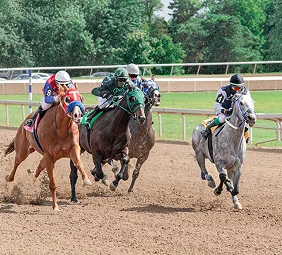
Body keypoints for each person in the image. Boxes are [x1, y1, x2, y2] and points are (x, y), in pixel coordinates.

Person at [201, 74, 251, 140]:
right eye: (235, 88)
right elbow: (216, 106)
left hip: (237, 112)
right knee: (223, 118)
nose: (237, 90)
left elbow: (248, 104)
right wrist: (225, 111)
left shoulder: (245, 92)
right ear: (231, 85)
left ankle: (245, 136)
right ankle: (208, 127)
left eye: (239, 88)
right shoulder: (223, 91)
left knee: (245, 121)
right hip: (224, 112)